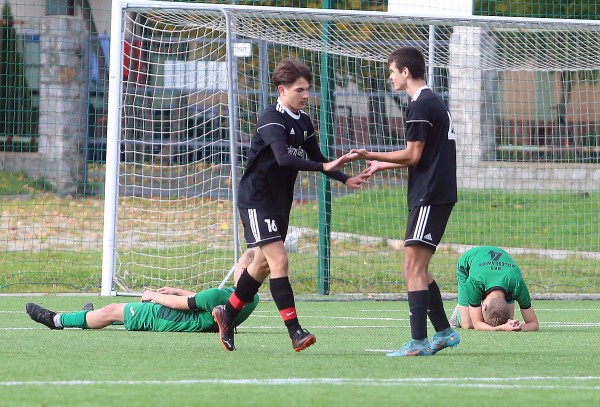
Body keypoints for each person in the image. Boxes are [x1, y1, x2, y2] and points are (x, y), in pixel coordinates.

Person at [211, 58, 368, 353]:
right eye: (300, 90)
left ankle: (227, 312)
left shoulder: (304, 121)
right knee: (279, 261)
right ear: (282, 90)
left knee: (261, 264)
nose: (306, 95)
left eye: (307, 89)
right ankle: (295, 331)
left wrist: (346, 178)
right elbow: (283, 158)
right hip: (256, 199)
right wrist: (324, 167)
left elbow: (319, 158)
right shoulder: (271, 117)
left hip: (279, 203)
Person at [342, 46, 459, 356]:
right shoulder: (431, 100)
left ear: (406, 72)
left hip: (431, 194)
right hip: (432, 193)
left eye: (392, 72)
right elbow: (422, 154)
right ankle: (444, 332)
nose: (390, 78)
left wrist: (369, 154)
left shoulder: (420, 104)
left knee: (412, 267)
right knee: (418, 268)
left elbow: (413, 154)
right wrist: (382, 164)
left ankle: (419, 342)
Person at [26, 250, 259, 333]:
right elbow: (206, 300)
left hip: (170, 318)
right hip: (186, 318)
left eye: (238, 266)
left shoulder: (218, 296)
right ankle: (87, 316)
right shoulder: (253, 298)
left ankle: (56, 320)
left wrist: (153, 295)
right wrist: (177, 290)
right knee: (115, 313)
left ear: (242, 271)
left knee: (112, 310)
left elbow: (179, 304)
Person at [450, 245, 539, 332]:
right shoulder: (474, 283)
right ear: (483, 306)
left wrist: (514, 328)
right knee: (468, 324)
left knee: (505, 319)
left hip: (506, 273)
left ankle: (471, 307)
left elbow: (534, 324)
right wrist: (501, 328)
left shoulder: (517, 284)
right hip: (468, 264)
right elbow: (477, 324)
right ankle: (459, 311)